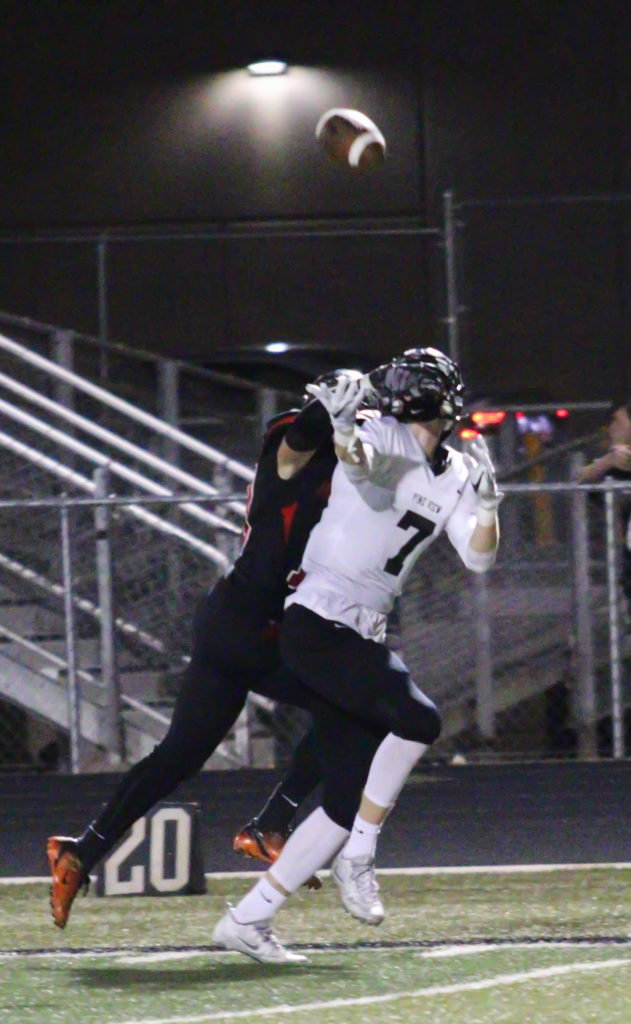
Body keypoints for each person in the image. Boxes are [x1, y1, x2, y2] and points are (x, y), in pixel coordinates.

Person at [212, 347, 502, 964]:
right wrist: (342, 427)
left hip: (360, 632)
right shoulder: (380, 434)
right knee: (418, 719)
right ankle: (362, 856)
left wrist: (490, 508)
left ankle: (249, 919)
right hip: (317, 616)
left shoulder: (453, 472)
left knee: (345, 799)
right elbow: (361, 463)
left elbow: (478, 558)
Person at [46, 370, 359, 928]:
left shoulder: (348, 465)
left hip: (244, 626)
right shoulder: (291, 439)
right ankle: (272, 822)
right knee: (354, 705)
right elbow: (298, 438)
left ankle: (82, 851)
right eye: (345, 414)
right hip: (249, 624)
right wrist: (326, 411)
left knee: (178, 757)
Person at [575, 399, 631, 614]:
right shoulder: (615, 463)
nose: (611, 428)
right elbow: (579, 479)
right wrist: (607, 461)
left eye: (617, 421)